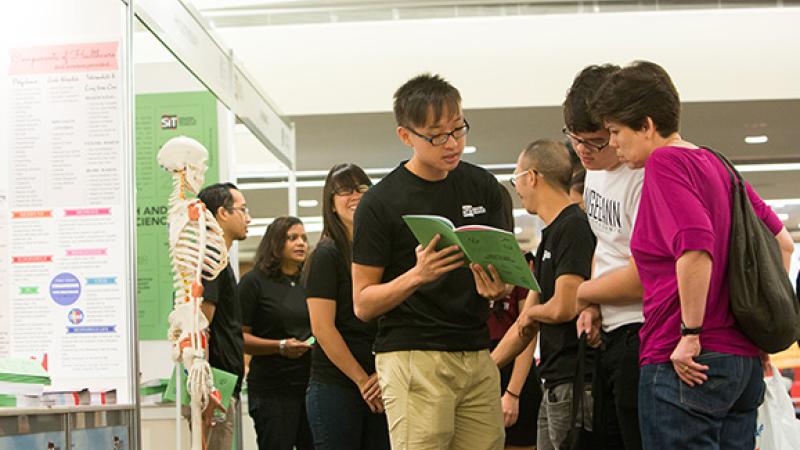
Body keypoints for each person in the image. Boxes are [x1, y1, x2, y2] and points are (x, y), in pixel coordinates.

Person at [591, 60, 795, 450]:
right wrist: (759, 334)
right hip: (740, 363)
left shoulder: (665, 163)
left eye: (616, 131)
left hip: (686, 362)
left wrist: (691, 333)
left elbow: (695, 245)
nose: (612, 143)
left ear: (647, 125)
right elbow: (782, 242)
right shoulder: (718, 164)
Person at [352, 73, 509, 450]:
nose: (452, 143)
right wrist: (417, 275)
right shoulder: (380, 202)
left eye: (458, 129)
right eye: (436, 135)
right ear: (406, 136)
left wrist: (499, 287)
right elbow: (363, 303)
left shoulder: (485, 187)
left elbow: (505, 273)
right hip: (413, 354)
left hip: (477, 351)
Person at [491, 139, 596, 450]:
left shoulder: (574, 227)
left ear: (533, 177)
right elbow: (525, 323)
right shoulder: (549, 234)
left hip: (574, 381)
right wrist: (483, 371)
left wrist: (531, 314)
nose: (518, 190)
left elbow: (564, 306)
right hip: (551, 382)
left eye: (517, 179)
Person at [563, 64, 645, 450]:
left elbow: (643, 275)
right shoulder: (593, 172)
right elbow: (606, 244)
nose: (584, 150)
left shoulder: (642, 177)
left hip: (642, 330)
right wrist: (593, 304)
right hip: (608, 332)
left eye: (596, 141)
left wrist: (581, 293)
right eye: (575, 139)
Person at [304, 163, 390, 450]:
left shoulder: (380, 252)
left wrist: (380, 376)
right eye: (344, 191)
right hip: (337, 386)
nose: (354, 196)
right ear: (331, 203)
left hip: (382, 382)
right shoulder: (326, 254)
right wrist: (363, 381)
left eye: (361, 188)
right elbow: (322, 328)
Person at [238, 216, 314, 450]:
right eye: (292, 238)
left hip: (310, 386)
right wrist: (279, 346)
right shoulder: (253, 282)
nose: (301, 243)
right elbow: (240, 337)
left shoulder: (310, 281)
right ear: (276, 243)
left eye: (304, 238)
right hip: (273, 389)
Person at [196, 182, 250, 450]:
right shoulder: (210, 260)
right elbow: (199, 327)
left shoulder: (219, 260)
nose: (248, 218)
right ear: (222, 213)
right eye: (243, 209)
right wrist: (206, 390)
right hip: (215, 384)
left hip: (223, 382)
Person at [489, 188, 543, 450]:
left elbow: (527, 328)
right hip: (477, 364)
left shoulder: (518, 262)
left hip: (514, 365)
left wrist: (513, 392)